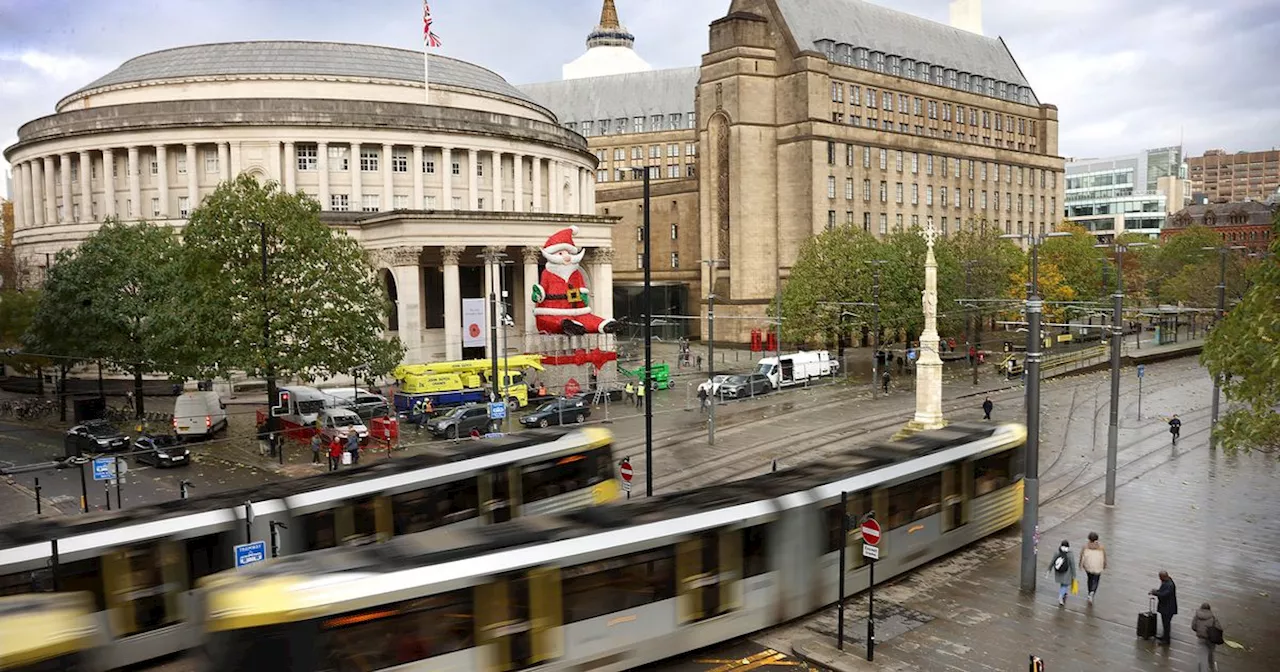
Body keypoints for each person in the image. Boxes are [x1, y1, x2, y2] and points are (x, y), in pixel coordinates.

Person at [1190, 602, 1223, 671]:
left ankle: (1201, 670)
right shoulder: (1213, 618)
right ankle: (1212, 668)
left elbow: (1193, 627)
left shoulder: (1197, 617)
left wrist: (1200, 630)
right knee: (1210, 655)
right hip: (1211, 640)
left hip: (1201, 639)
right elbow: (1219, 628)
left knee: (1202, 657)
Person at [1149, 571, 1178, 644]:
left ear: (1163, 577)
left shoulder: (1169, 585)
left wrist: (1155, 593)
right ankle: (1164, 636)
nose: (1159, 579)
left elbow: (1164, 594)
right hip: (1165, 607)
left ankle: (1166, 640)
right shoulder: (1167, 582)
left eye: (1160, 577)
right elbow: (1162, 591)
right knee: (1165, 623)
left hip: (1168, 608)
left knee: (1166, 624)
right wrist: (1156, 591)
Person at [1079, 531, 1107, 604]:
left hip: (1088, 566)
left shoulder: (1085, 547)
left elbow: (1082, 556)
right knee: (1096, 580)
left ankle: (1089, 592)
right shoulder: (1101, 547)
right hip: (1098, 566)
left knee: (1090, 579)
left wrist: (1081, 565)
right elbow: (1104, 557)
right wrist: (1104, 564)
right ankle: (1092, 592)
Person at [1046, 540, 1077, 606]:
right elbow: (1072, 565)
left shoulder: (1057, 552)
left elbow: (1052, 561)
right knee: (1065, 585)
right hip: (1067, 573)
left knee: (1062, 583)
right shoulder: (1070, 554)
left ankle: (1064, 593)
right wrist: (1074, 575)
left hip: (1059, 572)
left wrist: (1049, 569)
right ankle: (1060, 596)